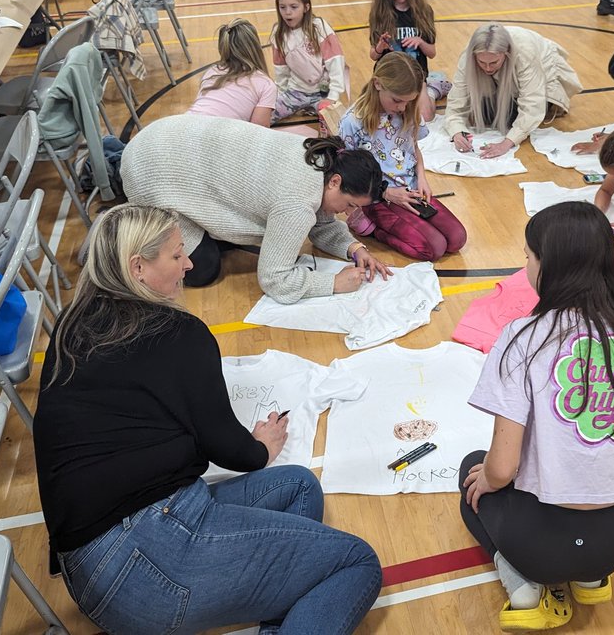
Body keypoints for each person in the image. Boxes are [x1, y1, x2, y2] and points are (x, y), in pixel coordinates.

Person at [32, 205, 382, 635]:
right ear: (138, 267)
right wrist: (262, 445)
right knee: (356, 562)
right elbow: (232, 450)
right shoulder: (176, 333)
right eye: (177, 256)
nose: (189, 264)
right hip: (145, 559)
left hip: (88, 568)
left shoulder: (72, 322)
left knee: (298, 486)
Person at [461, 202, 614, 628]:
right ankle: (592, 581)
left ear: (548, 266)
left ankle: (525, 588)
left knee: (472, 470)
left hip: (539, 544)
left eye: (528, 256)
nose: (525, 265)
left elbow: (502, 468)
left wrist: (488, 479)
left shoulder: (523, 336)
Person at [121, 118, 390, 297]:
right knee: (202, 269)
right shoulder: (297, 201)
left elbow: (321, 222)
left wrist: (355, 248)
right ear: (335, 182)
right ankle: (123, 224)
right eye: (350, 204)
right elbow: (274, 279)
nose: (346, 213)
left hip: (166, 139)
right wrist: (332, 283)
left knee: (233, 245)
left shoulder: (323, 157)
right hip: (151, 167)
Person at [339, 53, 466, 260]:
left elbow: (412, 146)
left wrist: (422, 178)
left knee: (457, 238)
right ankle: (371, 229)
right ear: (377, 84)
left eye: (409, 101)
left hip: (411, 191)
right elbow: (349, 173)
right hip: (377, 198)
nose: (402, 108)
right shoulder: (353, 121)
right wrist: (387, 193)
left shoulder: (407, 109)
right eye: (397, 100)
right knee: (433, 248)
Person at [445, 23, 581, 159]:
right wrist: (457, 132)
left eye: (493, 63)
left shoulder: (525, 54)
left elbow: (532, 104)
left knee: (510, 119)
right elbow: (456, 101)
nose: (487, 68)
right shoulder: (468, 56)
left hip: (539, 69)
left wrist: (506, 143)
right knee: (486, 115)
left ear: (506, 54)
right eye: (481, 62)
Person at [368, 0, 447, 121]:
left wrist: (420, 42)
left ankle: (432, 90)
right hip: (388, 79)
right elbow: (373, 55)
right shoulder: (379, 14)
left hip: (415, 77)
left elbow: (431, 52)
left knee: (425, 117)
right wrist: (380, 47)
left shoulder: (424, 10)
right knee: (380, 118)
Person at [271, 0, 350, 121]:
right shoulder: (278, 33)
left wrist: (333, 96)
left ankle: (314, 109)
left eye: (294, 7)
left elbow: (335, 63)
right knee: (266, 114)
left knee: (339, 123)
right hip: (295, 93)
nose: (287, 12)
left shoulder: (319, 28)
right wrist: (280, 95)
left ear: (306, 7)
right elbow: (281, 69)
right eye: (282, 7)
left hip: (322, 94)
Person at [187, 18, 279, 126]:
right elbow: (259, 132)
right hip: (212, 135)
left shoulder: (212, 71)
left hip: (184, 124)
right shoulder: (266, 84)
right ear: (255, 46)